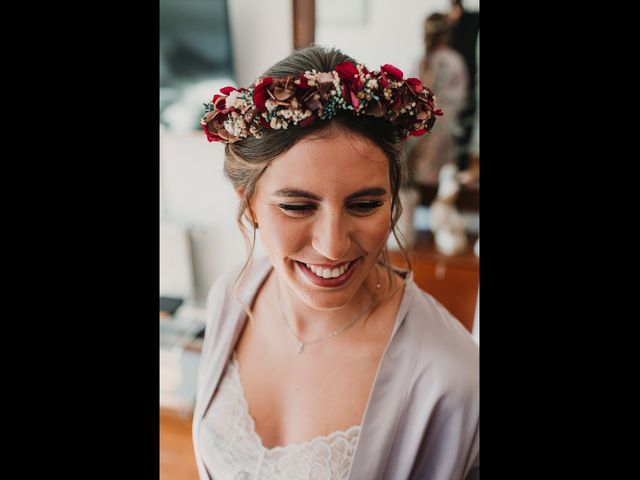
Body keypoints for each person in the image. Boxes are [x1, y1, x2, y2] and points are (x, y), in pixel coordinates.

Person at [193, 45, 479, 479]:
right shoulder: (230, 297)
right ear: (248, 204)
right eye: (296, 206)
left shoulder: (452, 381)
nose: (332, 246)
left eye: (364, 205)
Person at [409, 12, 468, 185]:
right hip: (446, 128)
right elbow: (462, 97)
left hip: (423, 127)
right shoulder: (455, 61)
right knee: (442, 181)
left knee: (421, 179)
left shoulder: (421, 61)